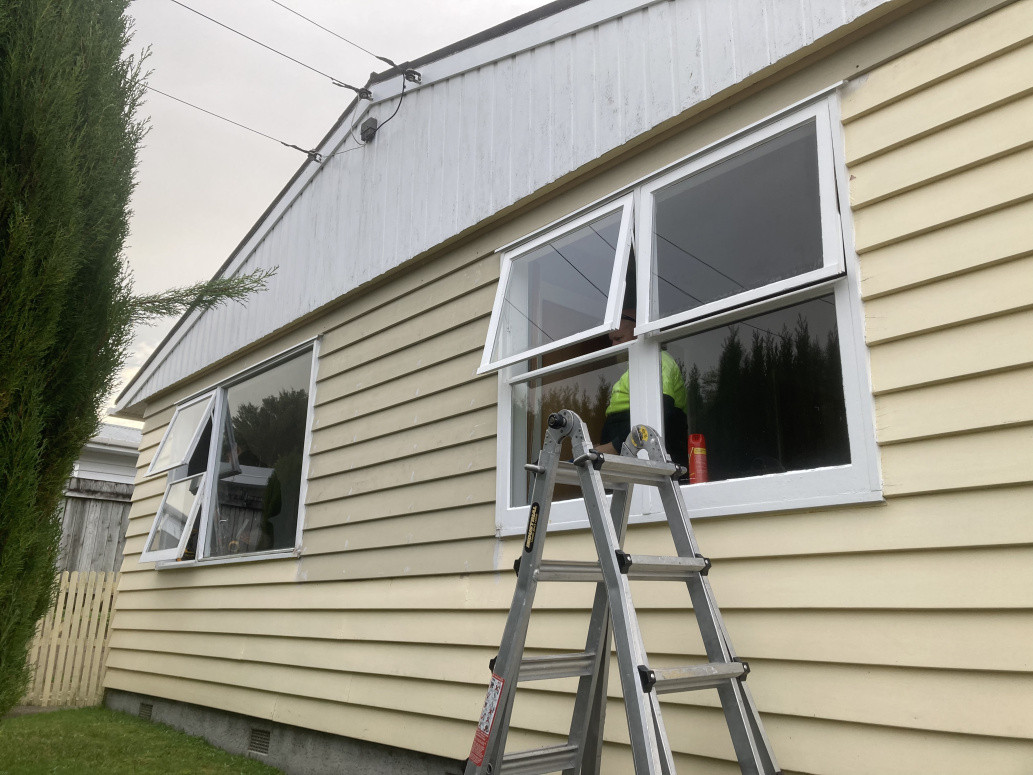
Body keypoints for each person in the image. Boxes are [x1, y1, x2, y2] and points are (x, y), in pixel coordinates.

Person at [595, 310, 689, 469]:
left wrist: (615, 446)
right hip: (627, 460)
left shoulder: (657, 361)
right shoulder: (633, 370)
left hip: (643, 462)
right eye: (612, 340)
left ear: (640, 334)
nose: (613, 346)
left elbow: (657, 412)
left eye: (619, 339)